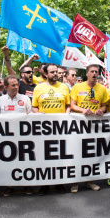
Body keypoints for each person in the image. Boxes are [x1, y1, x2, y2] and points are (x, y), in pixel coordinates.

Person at [32, 63, 70, 195]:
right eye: (52, 72)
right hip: (44, 129)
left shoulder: (64, 87)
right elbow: (34, 106)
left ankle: (59, 183)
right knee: (44, 156)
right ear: (46, 74)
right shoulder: (39, 88)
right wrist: (37, 114)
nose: (55, 74)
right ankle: (44, 184)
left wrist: (67, 114)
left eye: (56, 72)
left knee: (59, 155)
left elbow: (68, 105)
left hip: (60, 128)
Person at [70, 64, 108, 193]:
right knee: (77, 153)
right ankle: (75, 182)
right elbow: (73, 105)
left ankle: (90, 181)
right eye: (91, 71)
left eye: (96, 72)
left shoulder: (102, 89)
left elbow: (104, 106)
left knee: (91, 153)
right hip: (79, 126)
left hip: (94, 127)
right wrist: (83, 110)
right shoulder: (77, 87)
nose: (94, 74)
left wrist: (100, 110)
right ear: (87, 73)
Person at [0, 75, 32, 196]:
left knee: (24, 160)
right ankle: (10, 185)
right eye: (13, 85)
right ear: (6, 87)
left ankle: (27, 184)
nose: (16, 87)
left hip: (23, 137)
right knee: (9, 161)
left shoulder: (25, 98)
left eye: (17, 84)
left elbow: (30, 116)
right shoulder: (0, 100)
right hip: (7, 137)